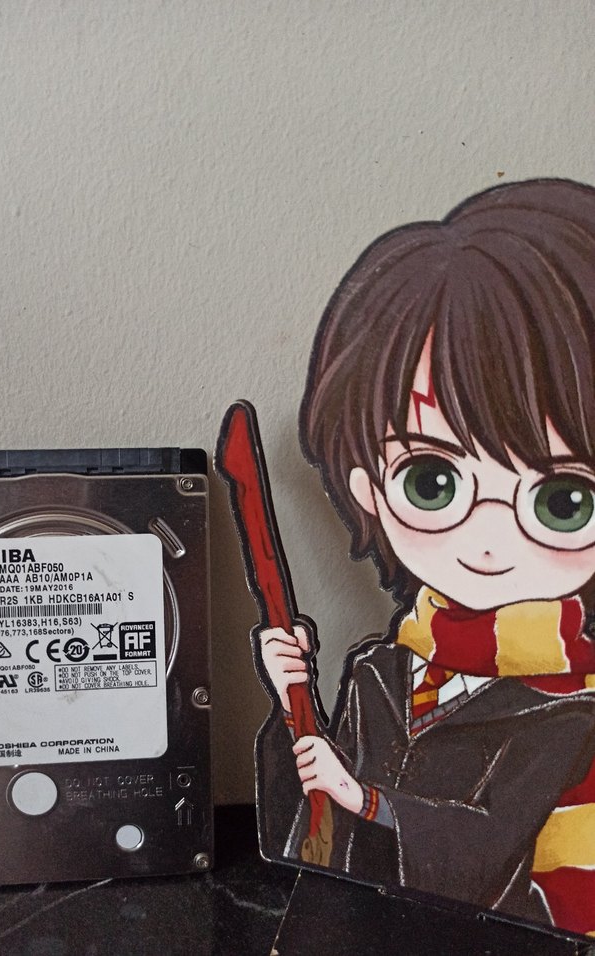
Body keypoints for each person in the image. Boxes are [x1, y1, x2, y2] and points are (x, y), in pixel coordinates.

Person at [255, 179, 595, 937]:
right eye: (433, 482)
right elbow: (304, 842)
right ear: (367, 488)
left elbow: (484, 851)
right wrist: (291, 707)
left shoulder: (570, 710)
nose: (488, 539)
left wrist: (366, 799)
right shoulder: (384, 671)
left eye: (562, 501)